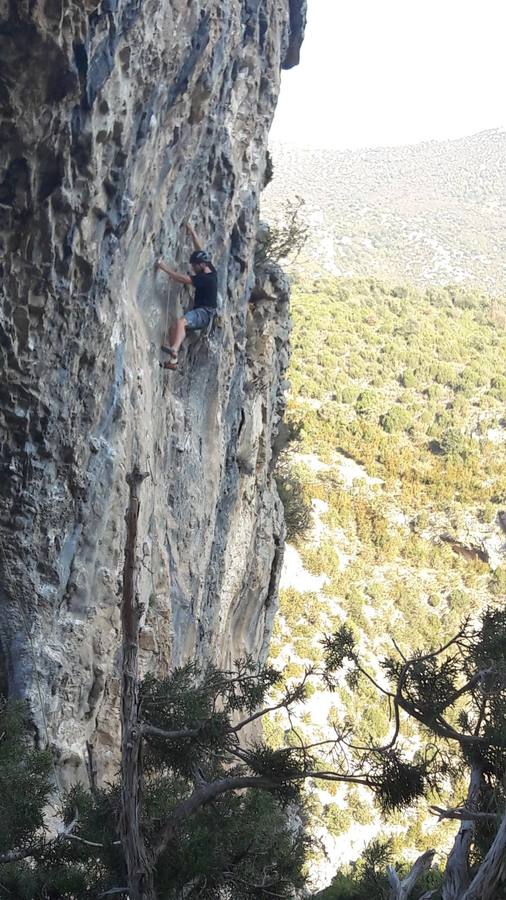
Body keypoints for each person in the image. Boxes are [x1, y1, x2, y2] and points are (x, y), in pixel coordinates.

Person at [157, 223, 218, 370]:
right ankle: (173, 362)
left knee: (180, 323)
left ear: (202, 265)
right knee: (174, 328)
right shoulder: (209, 268)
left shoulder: (206, 278)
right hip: (203, 311)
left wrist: (164, 268)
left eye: (195, 266)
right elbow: (199, 248)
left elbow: (184, 279)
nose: (193, 268)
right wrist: (191, 230)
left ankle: (174, 351)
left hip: (204, 313)